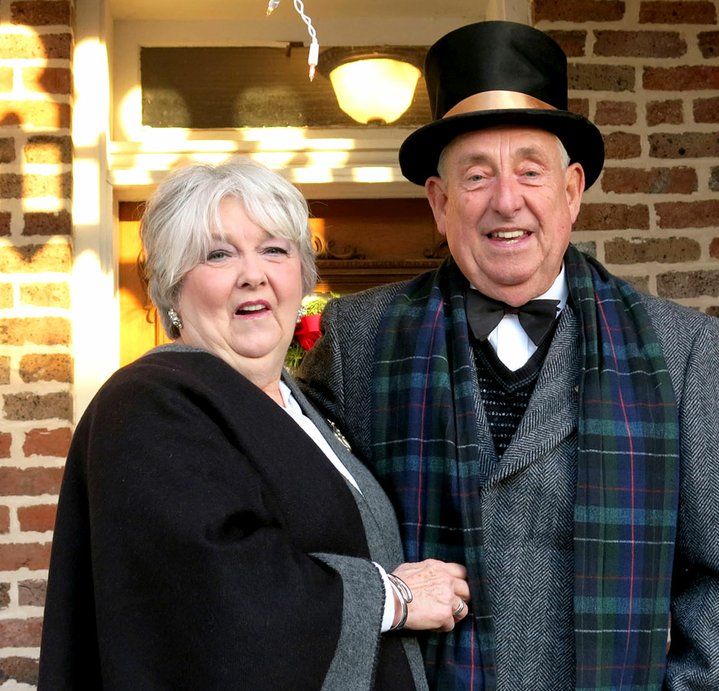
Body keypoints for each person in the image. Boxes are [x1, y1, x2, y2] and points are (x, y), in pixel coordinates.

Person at [298, 20, 719, 691]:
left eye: (529, 170)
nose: (505, 200)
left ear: (571, 191)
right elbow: (302, 540)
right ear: (440, 201)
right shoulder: (358, 340)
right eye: (477, 174)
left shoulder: (683, 351)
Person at [38, 160, 471, 690]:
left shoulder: (304, 406)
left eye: (274, 249)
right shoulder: (148, 404)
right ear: (174, 287)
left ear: (302, 276)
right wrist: (395, 598)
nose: (253, 274)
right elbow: (219, 595)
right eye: (219, 254)